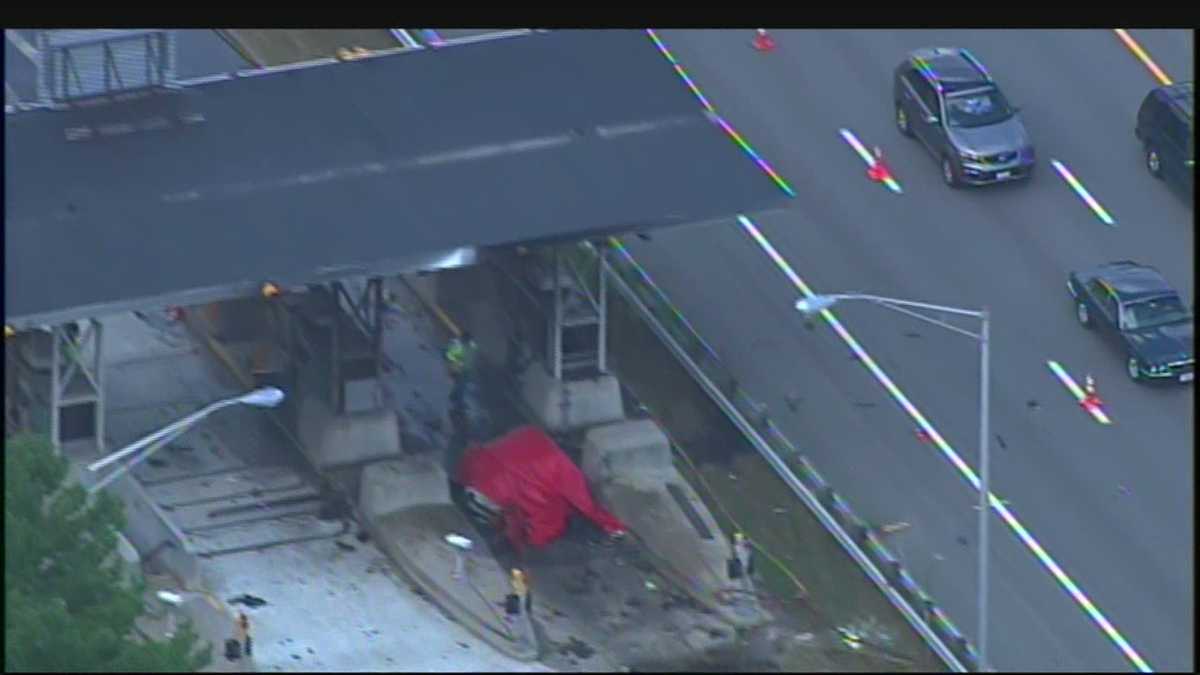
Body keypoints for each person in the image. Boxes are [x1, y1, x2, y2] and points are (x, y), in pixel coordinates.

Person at [444, 331, 479, 404]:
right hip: (459, 369)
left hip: (466, 369)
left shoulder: (471, 347)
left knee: (461, 384)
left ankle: (455, 397)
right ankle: (457, 400)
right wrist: (457, 361)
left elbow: (474, 357)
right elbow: (450, 355)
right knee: (461, 384)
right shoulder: (460, 346)